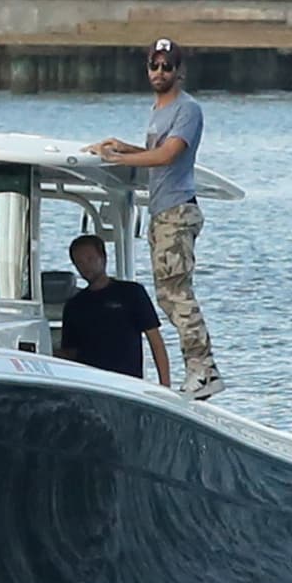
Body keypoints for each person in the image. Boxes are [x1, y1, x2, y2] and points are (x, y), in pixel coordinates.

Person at [82, 37, 223, 400]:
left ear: (179, 71)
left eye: (167, 66)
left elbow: (168, 157)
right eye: (154, 65)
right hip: (160, 212)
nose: (160, 72)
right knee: (166, 295)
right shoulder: (158, 110)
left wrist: (119, 160)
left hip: (178, 210)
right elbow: (154, 151)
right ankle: (198, 369)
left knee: (178, 292)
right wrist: (121, 146)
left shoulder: (187, 109)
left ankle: (203, 370)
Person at [55, 234, 171, 387]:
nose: (85, 267)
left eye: (90, 259)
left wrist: (165, 386)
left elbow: (155, 341)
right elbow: (70, 353)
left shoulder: (131, 293)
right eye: (79, 262)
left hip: (128, 384)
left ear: (103, 258)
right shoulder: (74, 305)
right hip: (89, 385)